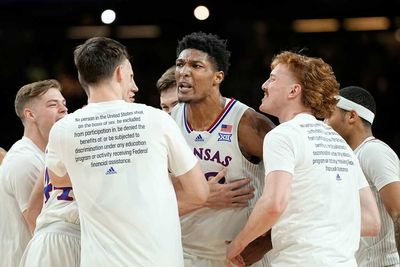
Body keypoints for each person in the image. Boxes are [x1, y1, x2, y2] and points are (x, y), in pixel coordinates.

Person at [45, 36, 209, 266]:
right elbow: (199, 192)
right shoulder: (157, 119)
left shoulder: (63, 129)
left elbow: (58, 179)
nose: (135, 85)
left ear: (83, 78)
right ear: (120, 73)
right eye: (131, 76)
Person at [226, 51, 381, 267]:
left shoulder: (282, 135)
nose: (264, 85)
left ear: (293, 90)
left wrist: (238, 244)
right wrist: (314, 217)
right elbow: (372, 221)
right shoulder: (339, 144)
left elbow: (274, 203)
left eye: (272, 78)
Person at [171, 31, 276, 266]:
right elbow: (156, 191)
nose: (184, 72)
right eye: (180, 64)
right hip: (184, 253)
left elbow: (292, 187)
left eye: (196, 65)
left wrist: (264, 243)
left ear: (217, 77)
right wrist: (202, 197)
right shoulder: (169, 122)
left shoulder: (249, 123)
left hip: (237, 255)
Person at [326, 85, 400, 266]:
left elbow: (398, 211)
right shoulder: (350, 157)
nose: (325, 122)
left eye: (330, 114)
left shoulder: (374, 151)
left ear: (351, 116)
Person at [0, 79, 67, 267]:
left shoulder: (46, 155)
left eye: (64, 103)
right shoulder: (24, 160)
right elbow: (35, 223)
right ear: (30, 114)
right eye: (53, 104)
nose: (63, 109)